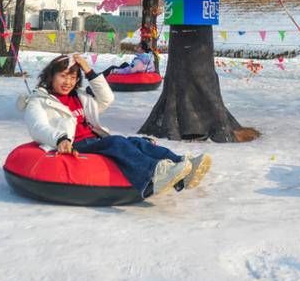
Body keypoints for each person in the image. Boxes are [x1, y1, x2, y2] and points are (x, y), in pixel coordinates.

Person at [19, 53, 211, 199]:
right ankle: (154, 174)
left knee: (138, 143)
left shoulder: (80, 98)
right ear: (50, 76)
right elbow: (38, 126)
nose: (67, 82)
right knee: (116, 142)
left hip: (94, 139)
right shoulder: (39, 101)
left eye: (73, 77)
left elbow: (107, 98)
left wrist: (89, 70)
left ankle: (182, 167)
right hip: (74, 144)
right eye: (63, 76)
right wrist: (60, 139)